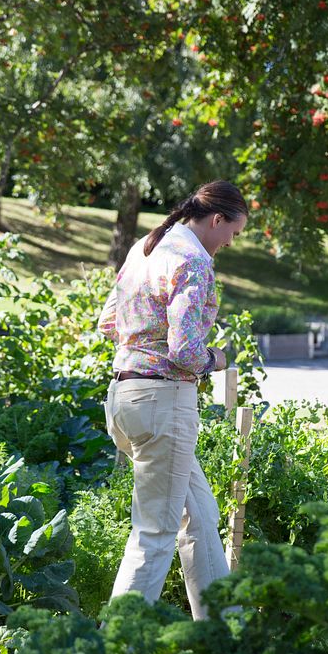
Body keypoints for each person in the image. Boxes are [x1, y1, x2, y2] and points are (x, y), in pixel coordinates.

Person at [97, 180, 249, 620]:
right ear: (216, 219)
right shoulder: (194, 261)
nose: (229, 243)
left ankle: (225, 636)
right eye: (232, 233)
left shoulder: (147, 248)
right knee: (155, 533)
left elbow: (109, 322)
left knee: (200, 517)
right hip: (163, 403)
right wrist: (216, 359)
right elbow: (185, 353)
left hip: (125, 399)